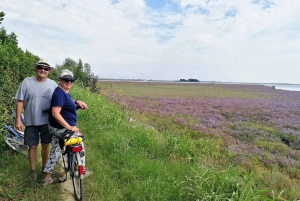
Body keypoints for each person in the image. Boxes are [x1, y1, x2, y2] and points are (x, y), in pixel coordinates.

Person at [15, 59, 58, 181]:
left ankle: (45, 168)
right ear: (36, 68)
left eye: (46, 68)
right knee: (32, 146)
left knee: (45, 145)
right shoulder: (26, 82)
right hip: (31, 120)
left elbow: (62, 98)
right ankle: (33, 171)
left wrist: (76, 102)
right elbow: (20, 101)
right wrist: (18, 119)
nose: (43, 70)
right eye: (40, 67)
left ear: (49, 71)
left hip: (47, 121)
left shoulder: (53, 84)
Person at [43, 69, 88, 184]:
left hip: (55, 127)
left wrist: (77, 102)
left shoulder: (63, 92)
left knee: (56, 151)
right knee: (79, 141)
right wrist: (69, 127)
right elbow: (55, 113)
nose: (69, 82)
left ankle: (47, 178)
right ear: (60, 80)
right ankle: (81, 169)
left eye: (71, 80)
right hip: (60, 128)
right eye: (66, 80)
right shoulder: (59, 93)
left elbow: (65, 103)